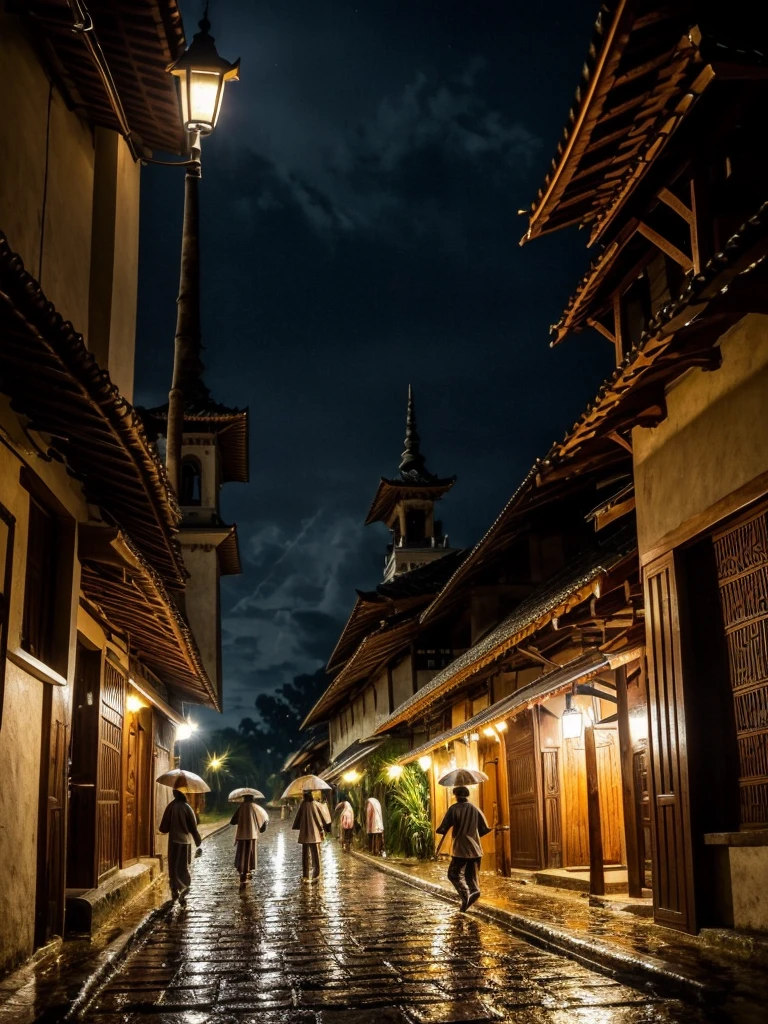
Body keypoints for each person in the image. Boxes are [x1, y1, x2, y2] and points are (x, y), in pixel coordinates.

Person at [436, 786, 491, 912]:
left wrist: (442, 830)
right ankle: (473, 892)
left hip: (460, 848)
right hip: (475, 848)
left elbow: (443, 828)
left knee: (453, 874)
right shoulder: (474, 808)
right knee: (470, 876)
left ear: (456, 795)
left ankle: (465, 896)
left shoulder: (453, 809)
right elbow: (484, 829)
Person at [159, 787, 202, 904]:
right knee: (183, 865)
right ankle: (184, 885)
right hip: (185, 841)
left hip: (173, 841)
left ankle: (174, 887)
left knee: (173, 865)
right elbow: (193, 826)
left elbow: (163, 827)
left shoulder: (171, 806)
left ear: (174, 794)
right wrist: (197, 839)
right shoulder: (187, 807)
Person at [230, 795, 269, 888]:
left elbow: (233, 821)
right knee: (249, 854)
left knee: (241, 854)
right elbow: (264, 820)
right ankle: (247, 871)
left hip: (241, 834)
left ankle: (242, 872)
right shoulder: (255, 807)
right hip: (252, 835)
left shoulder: (240, 807)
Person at [292, 790, 331, 882]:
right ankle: (315, 874)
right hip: (314, 832)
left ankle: (305, 874)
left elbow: (298, 817)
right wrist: (322, 828)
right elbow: (318, 818)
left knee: (305, 854)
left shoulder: (303, 804)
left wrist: (297, 826)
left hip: (304, 832)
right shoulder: (315, 804)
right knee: (315, 854)